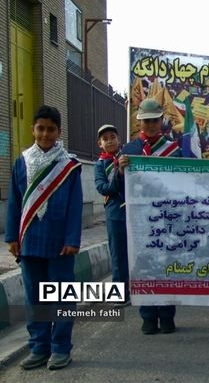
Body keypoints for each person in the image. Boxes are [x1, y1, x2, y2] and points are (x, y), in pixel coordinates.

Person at [5, 105, 83, 370]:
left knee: (61, 297)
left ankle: (61, 348)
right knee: (34, 299)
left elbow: (75, 205)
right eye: (41, 128)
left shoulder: (69, 166)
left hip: (61, 243)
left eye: (51, 129)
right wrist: (11, 237)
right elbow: (14, 203)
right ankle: (39, 347)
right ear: (33, 129)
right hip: (29, 240)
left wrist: (73, 239)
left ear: (59, 132)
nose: (45, 134)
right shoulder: (21, 162)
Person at [118, 98, 183, 334]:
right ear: (139, 123)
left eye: (154, 120)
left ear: (161, 121)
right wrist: (120, 170)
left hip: (167, 217)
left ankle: (167, 315)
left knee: (166, 266)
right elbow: (117, 188)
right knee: (144, 265)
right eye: (146, 121)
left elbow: (183, 183)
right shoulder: (129, 150)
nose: (151, 125)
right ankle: (147, 316)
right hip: (141, 218)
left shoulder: (174, 149)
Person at [95, 124, 130, 304]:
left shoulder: (128, 157)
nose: (109, 141)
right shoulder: (100, 165)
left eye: (112, 137)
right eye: (105, 139)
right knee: (118, 255)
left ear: (119, 139)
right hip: (115, 214)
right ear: (99, 143)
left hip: (134, 211)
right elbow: (103, 188)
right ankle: (120, 294)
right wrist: (119, 173)